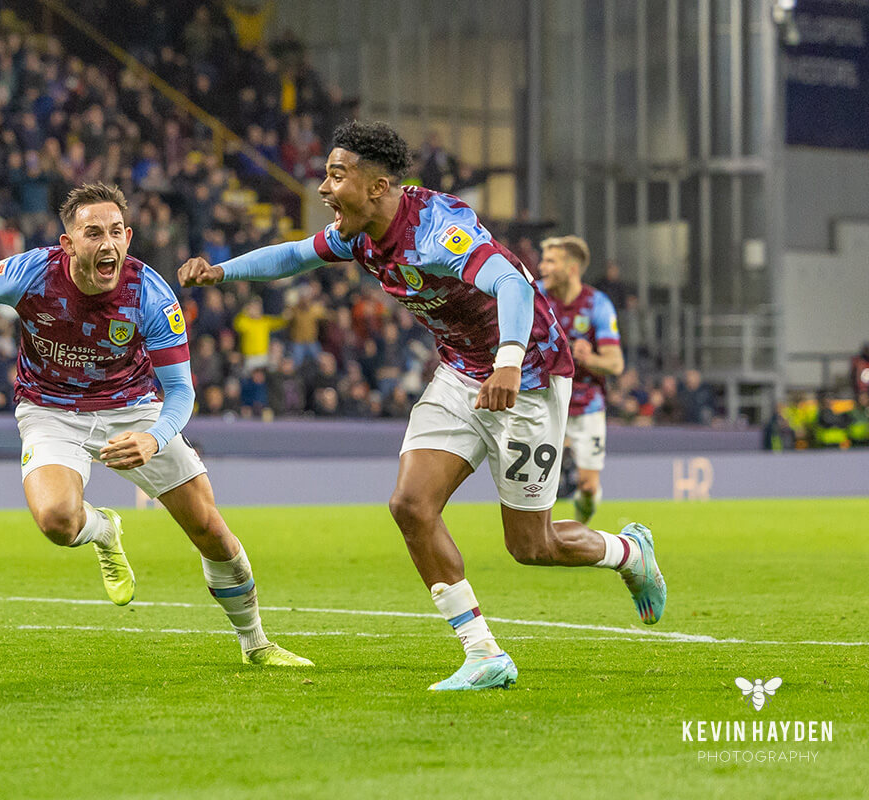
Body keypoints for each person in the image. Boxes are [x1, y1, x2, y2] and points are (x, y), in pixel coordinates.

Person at [179, 121, 666, 691]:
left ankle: (629, 552)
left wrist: (509, 361)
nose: (324, 189)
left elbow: (511, 284)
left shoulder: (437, 230)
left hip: (528, 377)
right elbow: (293, 256)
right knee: (411, 504)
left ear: (378, 185)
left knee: (531, 546)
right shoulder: (357, 234)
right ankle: (483, 653)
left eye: (337, 175)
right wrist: (222, 270)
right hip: (461, 375)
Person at [0, 184, 309, 668]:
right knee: (57, 520)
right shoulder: (28, 275)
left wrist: (153, 436)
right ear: (68, 243)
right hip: (50, 409)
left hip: (133, 408)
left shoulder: (150, 294)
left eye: (117, 233)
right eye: (93, 232)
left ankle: (256, 644)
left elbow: (181, 391)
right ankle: (104, 532)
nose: (108, 244)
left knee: (209, 528)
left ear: (129, 237)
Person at [537, 236, 624, 524]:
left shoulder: (597, 304)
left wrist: (587, 359)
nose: (542, 266)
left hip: (587, 403)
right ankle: (539, 537)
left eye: (551, 261)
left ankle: (580, 524)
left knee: (587, 488)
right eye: (543, 259)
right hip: (545, 400)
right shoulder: (534, 295)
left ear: (572, 268)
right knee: (536, 482)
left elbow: (615, 363)